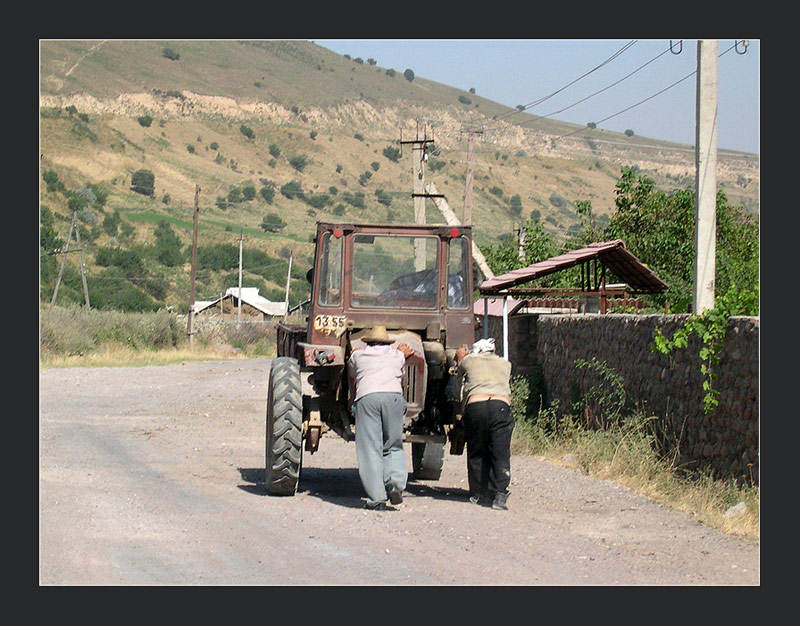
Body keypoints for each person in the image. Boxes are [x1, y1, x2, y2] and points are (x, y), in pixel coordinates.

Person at [347, 325, 415, 510]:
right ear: (387, 342)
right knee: (393, 444)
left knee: (370, 448)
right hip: (393, 397)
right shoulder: (396, 355)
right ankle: (395, 484)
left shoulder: (359, 356)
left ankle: (377, 498)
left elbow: (352, 371)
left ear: (368, 342)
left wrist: (354, 353)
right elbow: (404, 356)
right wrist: (402, 353)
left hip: (368, 398)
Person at [455, 338, 514, 510]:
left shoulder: (470, 360)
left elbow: (459, 371)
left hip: (476, 405)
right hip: (501, 406)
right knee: (500, 451)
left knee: (477, 450)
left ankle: (479, 493)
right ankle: (500, 494)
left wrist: (461, 356)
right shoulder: (505, 364)